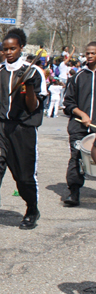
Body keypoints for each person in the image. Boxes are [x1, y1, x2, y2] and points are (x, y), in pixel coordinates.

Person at [0, 29, 43, 242]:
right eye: (5, 49)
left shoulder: (33, 72)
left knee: (24, 177)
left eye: (12, 48)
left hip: (22, 130)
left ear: (21, 47)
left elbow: (32, 107)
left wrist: (30, 88)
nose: (8, 52)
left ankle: (32, 208)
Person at [61, 42, 96, 207]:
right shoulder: (77, 77)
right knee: (76, 158)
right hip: (78, 127)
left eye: (93, 53)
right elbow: (68, 103)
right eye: (87, 53)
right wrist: (82, 114)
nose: (89, 56)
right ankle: (74, 192)